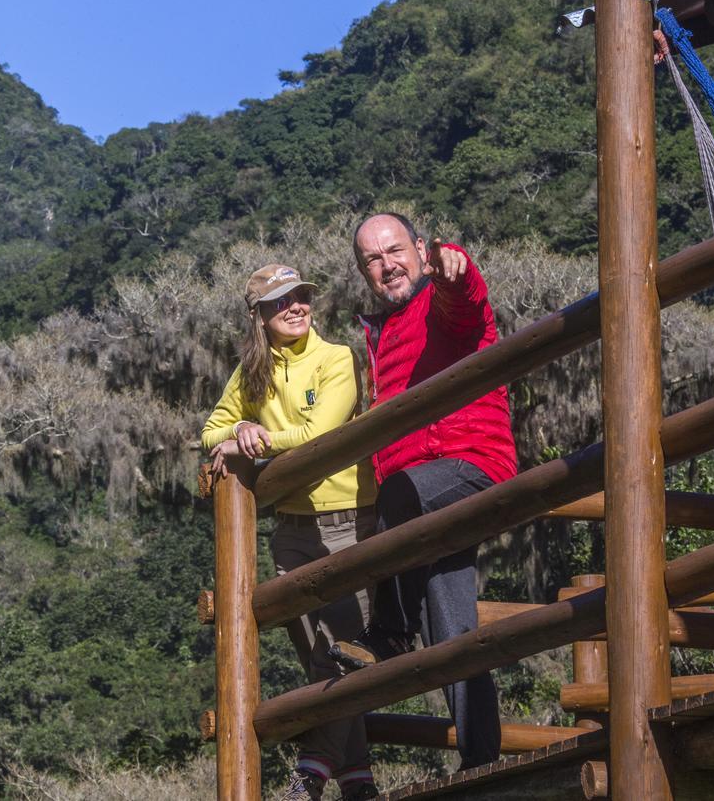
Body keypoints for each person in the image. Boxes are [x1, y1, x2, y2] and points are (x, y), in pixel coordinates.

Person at [336, 212, 517, 770]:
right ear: (364, 271)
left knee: (398, 496)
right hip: (422, 500)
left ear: (419, 249)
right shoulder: (380, 332)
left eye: (395, 251)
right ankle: (480, 760)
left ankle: (390, 631)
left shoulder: (440, 303)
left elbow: (465, 298)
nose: (387, 265)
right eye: (372, 259)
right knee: (451, 623)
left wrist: (454, 266)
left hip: (468, 468)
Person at [201, 263, 380, 801]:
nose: (296, 307)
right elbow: (212, 428)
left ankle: (310, 773)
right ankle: (360, 783)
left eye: (301, 297)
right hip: (291, 530)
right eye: (282, 302)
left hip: (350, 521)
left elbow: (318, 433)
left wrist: (256, 443)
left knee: (343, 654)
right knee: (320, 662)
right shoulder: (251, 370)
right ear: (259, 315)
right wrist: (239, 427)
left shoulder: (337, 358)